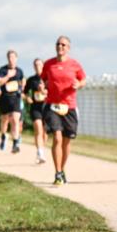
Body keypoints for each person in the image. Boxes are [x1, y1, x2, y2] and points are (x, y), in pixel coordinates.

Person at [41, 36, 86, 186]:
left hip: (70, 107)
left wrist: (78, 84)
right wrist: (42, 87)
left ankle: (62, 168)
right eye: (58, 44)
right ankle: (58, 172)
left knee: (67, 142)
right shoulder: (48, 64)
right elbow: (43, 81)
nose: (60, 46)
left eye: (63, 44)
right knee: (57, 138)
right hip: (52, 105)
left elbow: (83, 80)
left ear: (68, 48)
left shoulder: (75, 64)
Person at [0, 50, 25, 153]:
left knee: (15, 119)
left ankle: (15, 144)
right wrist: (8, 76)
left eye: (13, 57)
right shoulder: (2, 70)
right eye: (9, 57)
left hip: (15, 98)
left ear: (16, 58)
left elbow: (22, 82)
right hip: (5, 98)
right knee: (4, 120)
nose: (11, 59)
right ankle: (4, 137)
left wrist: (21, 89)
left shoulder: (20, 71)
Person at [23, 58, 48, 164]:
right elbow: (23, 92)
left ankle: (41, 149)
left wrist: (44, 91)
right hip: (35, 108)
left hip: (46, 107)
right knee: (38, 129)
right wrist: (27, 98)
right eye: (36, 65)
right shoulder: (31, 80)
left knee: (44, 132)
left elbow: (52, 92)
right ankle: (40, 152)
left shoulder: (48, 78)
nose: (38, 66)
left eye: (39, 64)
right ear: (34, 67)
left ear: (43, 66)